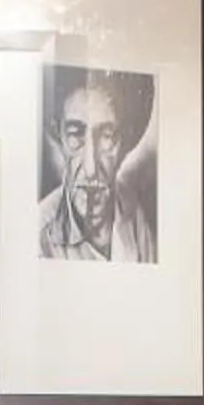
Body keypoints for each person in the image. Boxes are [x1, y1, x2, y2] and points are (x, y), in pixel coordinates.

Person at [38, 71, 157, 262]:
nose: (90, 168)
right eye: (75, 134)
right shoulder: (38, 237)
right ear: (60, 137)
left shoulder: (132, 210)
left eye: (107, 137)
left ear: (124, 142)